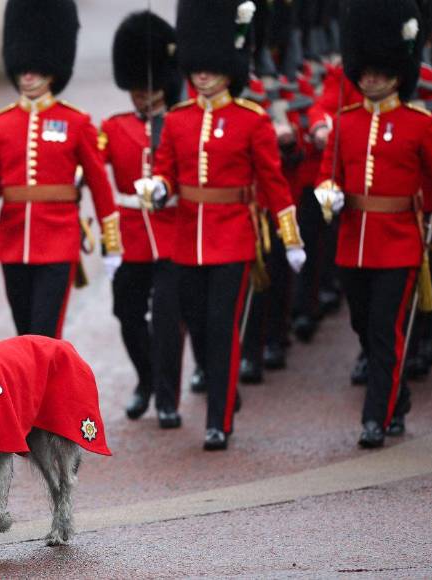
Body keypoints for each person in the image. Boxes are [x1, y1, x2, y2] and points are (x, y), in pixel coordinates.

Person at [139, 0, 306, 451]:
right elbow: (166, 170)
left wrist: (290, 238)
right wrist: (157, 187)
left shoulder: (250, 121)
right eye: (198, 68)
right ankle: (225, 394)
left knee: (221, 327)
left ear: (230, 68)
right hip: (186, 241)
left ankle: (218, 421)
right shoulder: (177, 119)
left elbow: (273, 183)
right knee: (198, 324)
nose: (203, 76)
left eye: (212, 68)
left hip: (233, 239)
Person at [315, 0, 432, 448]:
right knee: (364, 327)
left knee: (385, 330)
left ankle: (375, 419)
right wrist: (326, 190)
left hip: (401, 243)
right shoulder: (347, 122)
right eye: (364, 71)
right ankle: (397, 398)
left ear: (397, 72)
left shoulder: (420, 124)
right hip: (353, 242)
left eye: (379, 72)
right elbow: (328, 172)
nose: (370, 78)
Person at [0, 0, 122, 339]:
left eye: (36, 68)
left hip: (59, 241)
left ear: (53, 69)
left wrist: (112, 243)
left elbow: (99, 185)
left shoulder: (76, 122)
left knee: (44, 337)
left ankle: (45, 394)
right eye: (23, 68)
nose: (28, 74)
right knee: (24, 337)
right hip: (12, 242)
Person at [99, 11, 182, 427]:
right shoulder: (112, 127)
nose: (141, 95)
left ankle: (167, 397)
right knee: (126, 312)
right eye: (135, 87)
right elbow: (92, 166)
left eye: (147, 87)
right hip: (130, 235)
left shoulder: (182, 123)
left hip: (172, 233)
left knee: (169, 317)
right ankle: (147, 380)